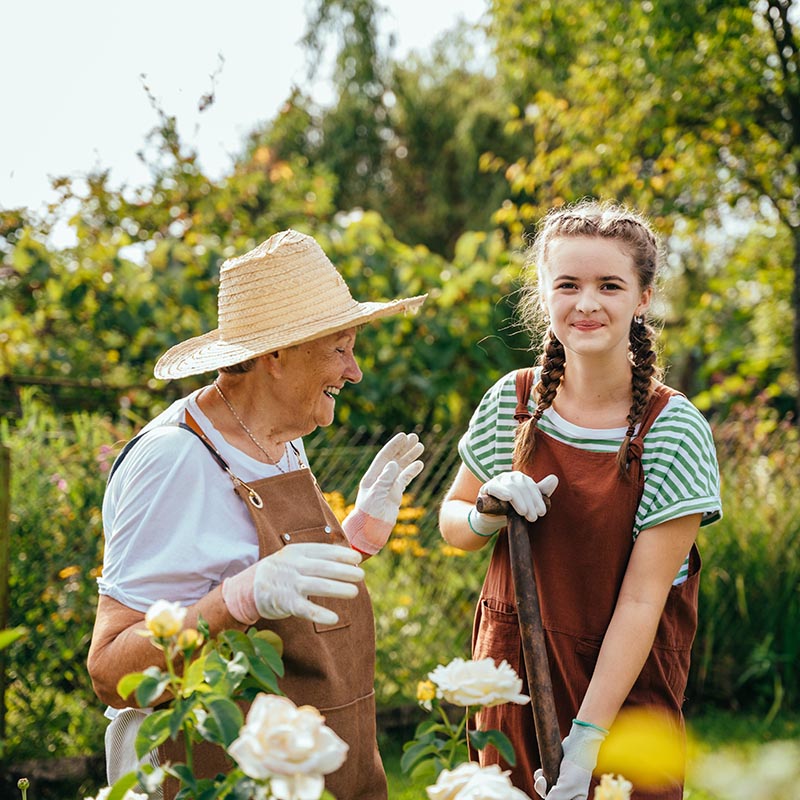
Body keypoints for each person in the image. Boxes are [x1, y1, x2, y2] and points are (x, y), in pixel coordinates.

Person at [87, 229, 427, 800]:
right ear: (275, 354)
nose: (354, 371)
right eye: (340, 348)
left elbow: (284, 601)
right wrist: (236, 600)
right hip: (211, 775)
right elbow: (111, 670)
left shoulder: (277, 439)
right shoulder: (176, 459)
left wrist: (358, 538)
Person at [439, 200, 721, 800]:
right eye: (567, 284)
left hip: (623, 700)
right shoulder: (511, 403)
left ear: (642, 298)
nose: (586, 303)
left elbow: (645, 598)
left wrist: (590, 734)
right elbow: (453, 524)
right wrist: (485, 510)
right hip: (510, 680)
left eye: (609, 285)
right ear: (545, 293)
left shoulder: (673, 428)